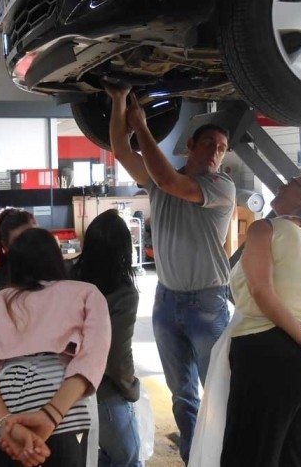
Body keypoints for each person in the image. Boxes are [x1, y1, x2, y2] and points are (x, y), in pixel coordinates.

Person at [107, 86, 236, 464]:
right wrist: (118, 103)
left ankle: (224, 455)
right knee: (183, 394)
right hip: (166, 300)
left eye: (222, 148)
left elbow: (167, 180)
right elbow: (121, 152)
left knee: (218, 390)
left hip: (207, 303)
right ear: (191, 145)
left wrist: (141, 126)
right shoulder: (160, 180)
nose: (215, 152)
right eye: (209, 143)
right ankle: (195, 456)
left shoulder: (220, 187)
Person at [215, 168, 301, 467]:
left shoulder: (265, 229)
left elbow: (262, 291)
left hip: (268, 353)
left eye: (292, 182)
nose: (282, 185)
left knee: (250, 455)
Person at [0, 228, 112, 467]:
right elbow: (90, 358)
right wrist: (50, 416)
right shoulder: (86, 294)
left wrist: (6, 424)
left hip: (4, 426)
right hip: (67, 417)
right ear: (55, 258)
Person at [71, 209, 142, 467]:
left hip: (60, 387)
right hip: (101, 390)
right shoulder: (123, 293)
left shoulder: (68, 277)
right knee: (128, 456)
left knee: (90, 455)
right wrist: (131, 387)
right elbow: (117, 358)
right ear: (124, 251)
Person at [0, 208, 37, 299]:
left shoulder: (51, 266)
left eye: (33, 236)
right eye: (19, 242)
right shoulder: (3, 282)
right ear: (5, 246)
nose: (28, 245)